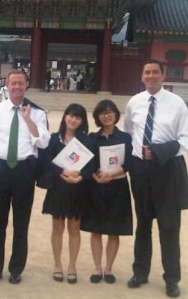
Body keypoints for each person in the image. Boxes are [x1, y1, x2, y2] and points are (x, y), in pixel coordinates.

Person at [123, 59, 188, 298]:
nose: (151, 76)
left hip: (167, 169)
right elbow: (129, 131)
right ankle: (140, 272)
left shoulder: (176, 104)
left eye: (155, 72)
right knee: (143, 224)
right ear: (142, 77)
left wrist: (160, 151)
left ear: (163, 75)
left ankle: (171, 278)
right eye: (147, 72)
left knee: (169, 226)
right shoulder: (135, 102)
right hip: (140, 171)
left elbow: (186, 139)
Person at [0, 69, 51, 285]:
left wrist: (29, 120)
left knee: (21, 223)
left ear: (27, 85)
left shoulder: (37, 112)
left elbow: (43, 143)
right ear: (7, 85)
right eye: (13, 83)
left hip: (23, 170)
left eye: (21, 83)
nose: (17, 87)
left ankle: (16, 268)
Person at [80, 99, 133, 285]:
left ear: (116, 115)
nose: (107, 115)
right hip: (96, 188)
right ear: (97, 117)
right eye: (103, 112)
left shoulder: (125, 138)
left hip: (118, 187)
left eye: (110, 112)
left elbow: (129, 163)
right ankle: (97, 268)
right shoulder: (92, 139)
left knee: (114, 230)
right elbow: (88, 164)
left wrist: (112, 174)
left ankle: (109, 268)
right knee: (96, 230)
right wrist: (97, 178)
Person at [42, 103, 94, 284]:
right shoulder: (53, 139)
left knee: (74, 228)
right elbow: (46, 161)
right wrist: (61, 172)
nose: (73, 120)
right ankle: (57, 265)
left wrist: (80, 177)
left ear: (82, 121)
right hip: (58, 188)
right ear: (65, 117)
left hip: (77, 189)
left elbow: (92, 166)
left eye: (78, 117)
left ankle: (72, 266)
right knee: (57, 227)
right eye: (71, 116)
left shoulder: (86, 141)